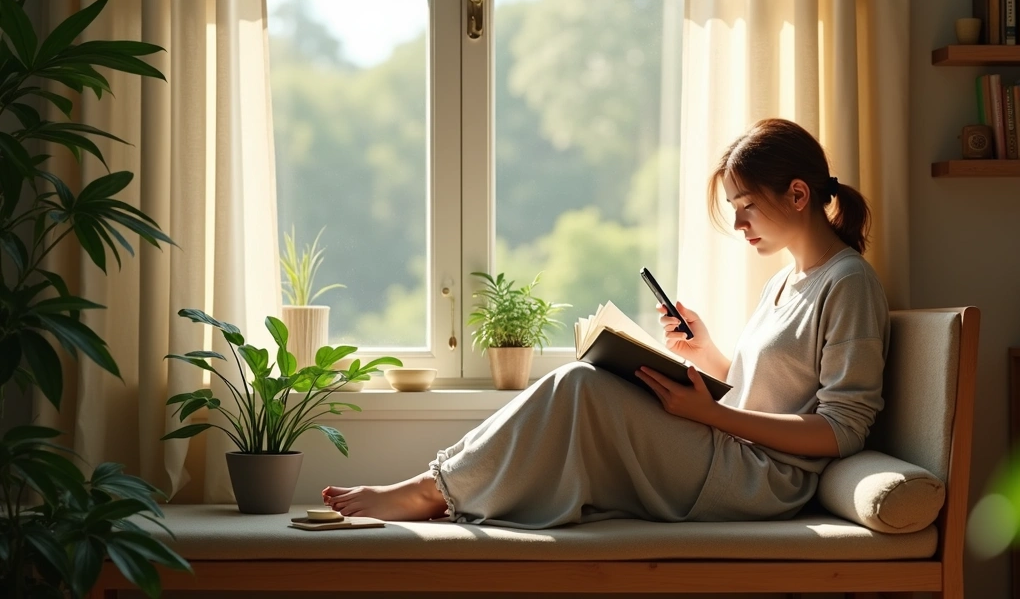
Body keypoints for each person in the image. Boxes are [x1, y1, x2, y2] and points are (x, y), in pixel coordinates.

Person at [321, 118, 890, 527]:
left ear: (796, 194)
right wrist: (707, 355)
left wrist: (710, 412)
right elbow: (762, 393)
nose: (739, 224)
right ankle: (438, 487)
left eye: (746, 206)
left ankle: (430, 491)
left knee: (580, 387)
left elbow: (842, 431)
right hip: (733, 446)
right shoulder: (785, 280)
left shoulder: (849, 284)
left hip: (765, 481)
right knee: (587, 381)